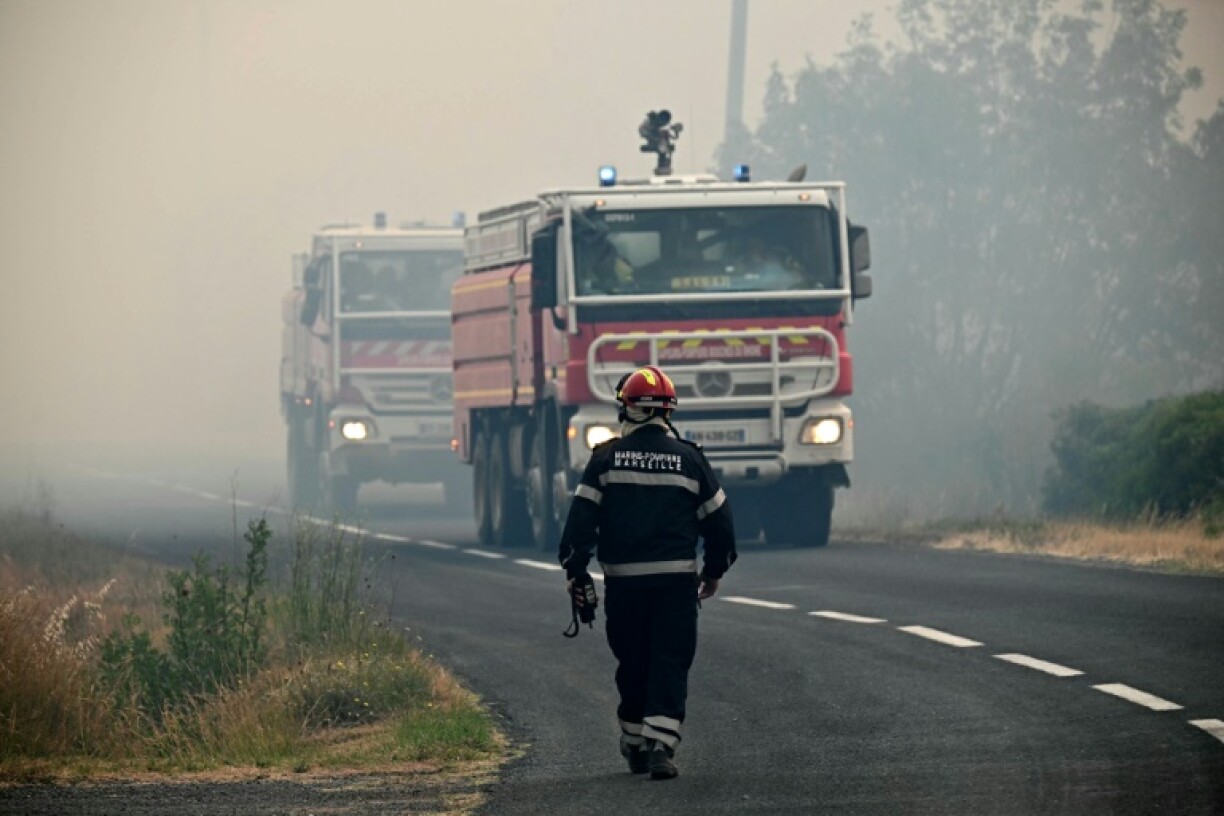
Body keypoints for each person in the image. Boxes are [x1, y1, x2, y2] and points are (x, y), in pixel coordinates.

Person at [558, 365, 737, 780]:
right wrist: (713, 571)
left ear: (628, 410)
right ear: (668, 412)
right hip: (676, 585)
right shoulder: (691, 460)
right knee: (670, 661)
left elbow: (580, 523)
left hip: (624, 584)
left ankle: (635, 743)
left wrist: (576, 570)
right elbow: (721, 524)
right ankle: (661, 747)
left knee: (632, 660)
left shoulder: (604, 459)